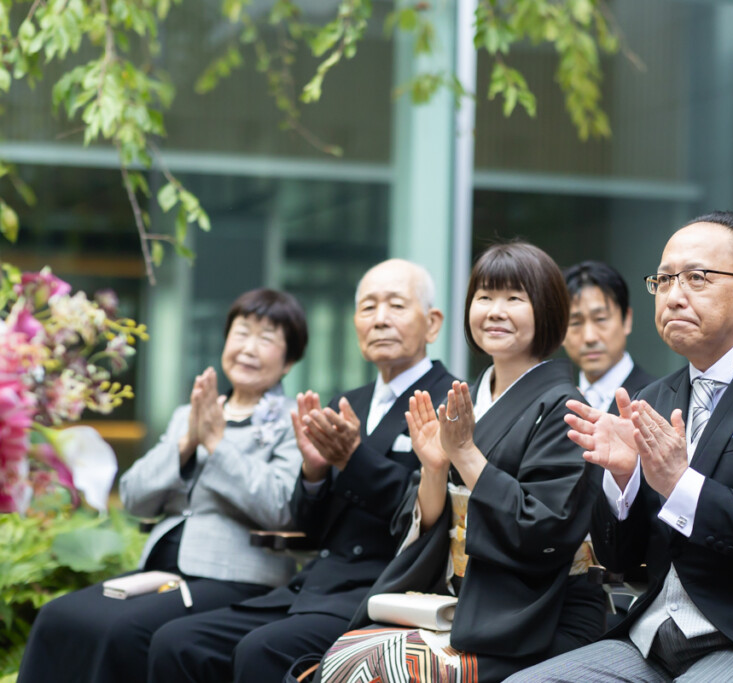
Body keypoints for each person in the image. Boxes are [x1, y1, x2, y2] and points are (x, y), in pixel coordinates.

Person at [509, 211, 733, 683]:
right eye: (665, 280)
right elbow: (618, 562)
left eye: (697, 279)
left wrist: (681, 484)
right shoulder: (653, 398)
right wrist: (623, 481)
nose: (674, 296)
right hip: (651, 640)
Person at [307, 242, 605, 683]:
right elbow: (424, 522)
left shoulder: (564, 405)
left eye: (514, 298)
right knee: (343, 658)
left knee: (379, 670)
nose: (495, 311)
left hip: (539, 613)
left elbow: (543, 526)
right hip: (469, 602)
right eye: (484, 297)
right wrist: (433, 467)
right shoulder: (468, 400)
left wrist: (464, 454)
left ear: (547, 310)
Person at [149, 260, 457, 683]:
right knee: (177, 641)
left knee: (260, 651)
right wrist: (313, 474)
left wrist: (353, 459)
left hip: (384, 591)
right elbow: (309, 528)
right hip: (315, 585)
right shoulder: (349, 401)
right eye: (368, 307)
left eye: (396, 305)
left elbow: (428, 512)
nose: (380, 319)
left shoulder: (452, 401)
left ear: (432, 323)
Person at [19, 288, 308, 683]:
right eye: (241, 332)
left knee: (121, 631)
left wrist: (217, 446)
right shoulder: (188, 415)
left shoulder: (296, 420)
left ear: (289, 361)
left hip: (234, 577)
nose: (248, 348)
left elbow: (281, 506)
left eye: (267, 338)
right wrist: (188, 440)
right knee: (58, 616)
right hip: (160, 570)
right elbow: (136, 498)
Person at [562, 260, 656, 411]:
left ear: (627, 320)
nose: (589, 337)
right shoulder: (556, 405)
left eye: (600, 319)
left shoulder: (658, 398)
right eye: (575, 323)